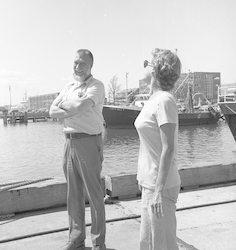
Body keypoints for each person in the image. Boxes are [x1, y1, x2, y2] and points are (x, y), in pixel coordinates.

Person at [49, 49, 106, 250]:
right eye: (75, 63)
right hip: (69, 142)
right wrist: (71, 106)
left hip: (89, 142)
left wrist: (66, 107)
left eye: (82, 63)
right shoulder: (69, 86)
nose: (78, 67)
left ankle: (98, 242)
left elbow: (82, 106)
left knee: (94, 194)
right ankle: (76, 239)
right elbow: (51, 111)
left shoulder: (96, 86)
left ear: (91, 65)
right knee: (73, 194)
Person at [134, 48, 182, 250]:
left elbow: (168, 148)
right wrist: (142, 180)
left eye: (147, 62)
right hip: (149, 183)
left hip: (159, 187)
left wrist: (158, 191)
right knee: (148, 242)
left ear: (155, 70)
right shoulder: (152, 100)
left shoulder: (164, 101)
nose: (143, 66)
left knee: (162, 244)